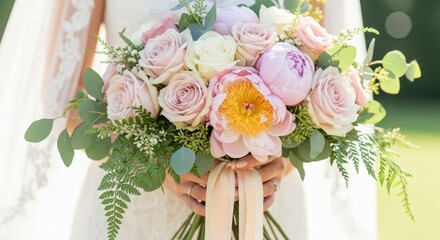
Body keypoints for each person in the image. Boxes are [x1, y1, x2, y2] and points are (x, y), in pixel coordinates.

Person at [0, 0, 375, 239]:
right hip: (138, 214)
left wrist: (284, 162)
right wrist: (155, 167)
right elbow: (67, 105)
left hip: (268, 207)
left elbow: (329, 75)